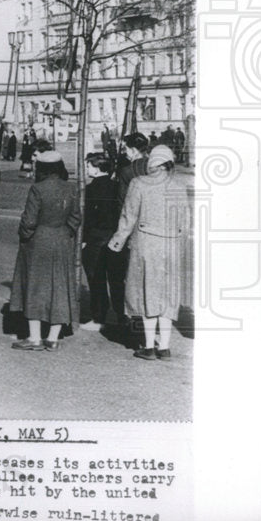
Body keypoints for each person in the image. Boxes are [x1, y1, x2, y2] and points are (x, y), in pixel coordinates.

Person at [107, 145, 187, 360]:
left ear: (151, 162)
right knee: (168, 295)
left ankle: (149, 346)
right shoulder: (178, 186)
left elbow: (128, 216)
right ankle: (165, 347)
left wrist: (117, 241)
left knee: (146, 292)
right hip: (171, 245)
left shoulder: (138, 183)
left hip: (146, 244)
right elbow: (184, 222)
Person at [10, 151, 81, 351]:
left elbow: (29, 220)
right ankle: (53, 338)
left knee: (35, 287)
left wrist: (25, 235)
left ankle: (34, 338)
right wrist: (65, 232)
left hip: (39, 241)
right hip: (61, 240)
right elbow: (76, 217)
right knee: (59, 287)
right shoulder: (71, 187)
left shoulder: (37, 189)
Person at [81, 152, 121, 330]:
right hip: (115, 236)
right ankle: (122, 316)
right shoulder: (117, 186)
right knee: (116, 278)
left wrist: (83, 239)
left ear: (97, 168)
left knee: (96, 278)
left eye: (89, 165)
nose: (87, 168)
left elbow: (87, 218)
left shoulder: (91, 189)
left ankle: (99, 316)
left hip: (96, 238)